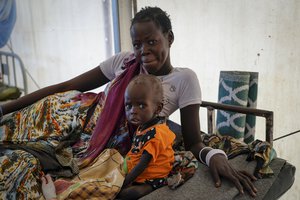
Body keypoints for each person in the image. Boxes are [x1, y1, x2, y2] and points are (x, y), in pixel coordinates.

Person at [0, 6, 257, 198]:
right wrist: (5, 107)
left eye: (152, 41)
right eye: (137, 44)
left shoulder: (184, 79)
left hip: (94, 143)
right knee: (14, 128)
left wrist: (214, 156)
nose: (143, 50)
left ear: (170, 37)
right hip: (71, 115)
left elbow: (193, 141)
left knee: (22, 163)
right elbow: (68, 86)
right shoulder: (123, 62)